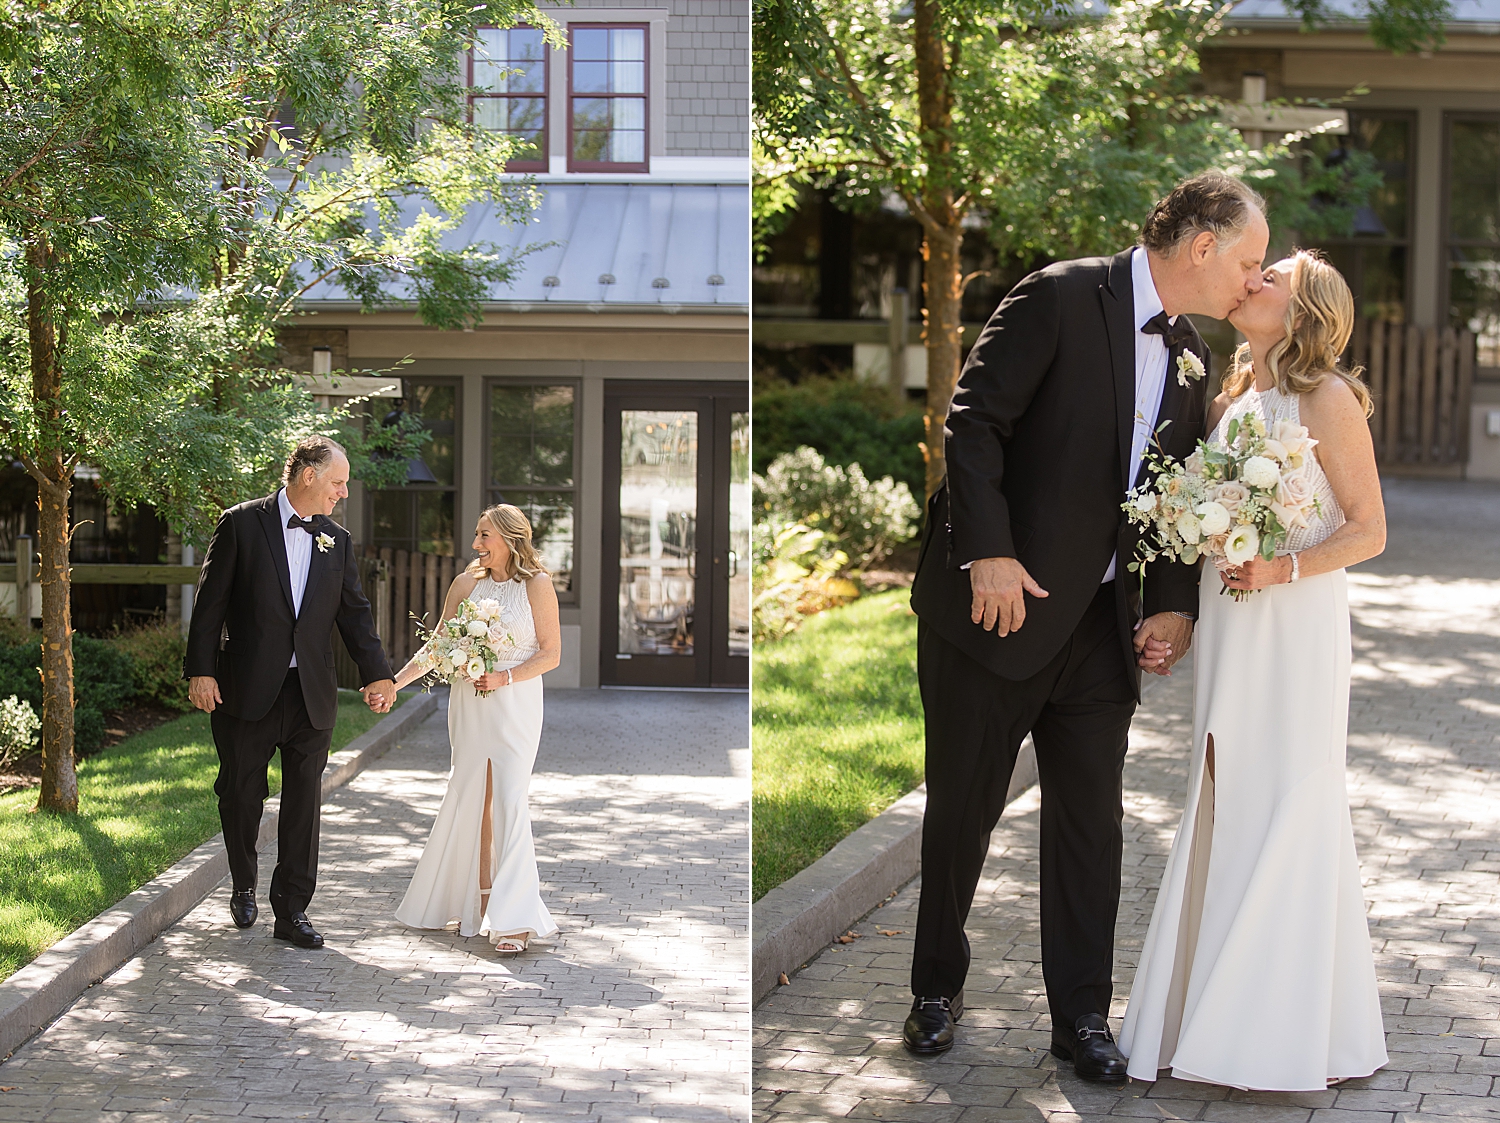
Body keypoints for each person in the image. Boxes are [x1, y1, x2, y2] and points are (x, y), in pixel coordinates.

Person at [905, 172, 1270, 1079]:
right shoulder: (1062, 294)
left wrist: (1174, 603)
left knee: (1091, 828)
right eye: (1250, 260)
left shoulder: (1191, 355)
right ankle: (934, 989)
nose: (1253, 281)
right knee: (963, 811)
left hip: (1102, 634)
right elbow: (974, 422)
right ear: (1202, 246)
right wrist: (984, 550)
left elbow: (1178, 493)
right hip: (999, 610)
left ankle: (1081, 1018)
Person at [1119, 251, 1388, 1090]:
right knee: (1222, 789)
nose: (1253, 280)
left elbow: (1369, 529)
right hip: (1234, 622)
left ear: (1304, 310)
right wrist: (1181, 611)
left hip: (1295, 623)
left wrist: (1284, 570)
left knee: (1286, 792)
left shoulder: (1329, 397)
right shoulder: (1228, 395)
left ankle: (1274, 1027)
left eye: (1272, 276)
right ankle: (1203, 1008)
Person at [186, 437, 395, 949]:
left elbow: (354, 613)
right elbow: (210, 604)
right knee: (240, 794)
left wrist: (377, 674)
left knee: (304, 803)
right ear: (307, 475)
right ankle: (243, 881)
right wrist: (201, 671)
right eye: (337, 483)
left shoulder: (337, 541)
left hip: (311, 693)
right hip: (246, 689)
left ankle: (293, 910)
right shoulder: (240, 523)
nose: (342, 494)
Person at [392, 504, 561, 952]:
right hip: (470, 703)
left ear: (509, 538)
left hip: (516, 701)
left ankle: (514, 920)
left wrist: (504, 677)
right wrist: (394, 685)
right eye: (476, 535)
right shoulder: (466, 583)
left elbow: (551, 654)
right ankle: (479, 899)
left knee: (508, 799)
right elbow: (438, 646)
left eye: (484, 536)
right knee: (472, 796)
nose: (476, 545)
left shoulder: (538, 586)